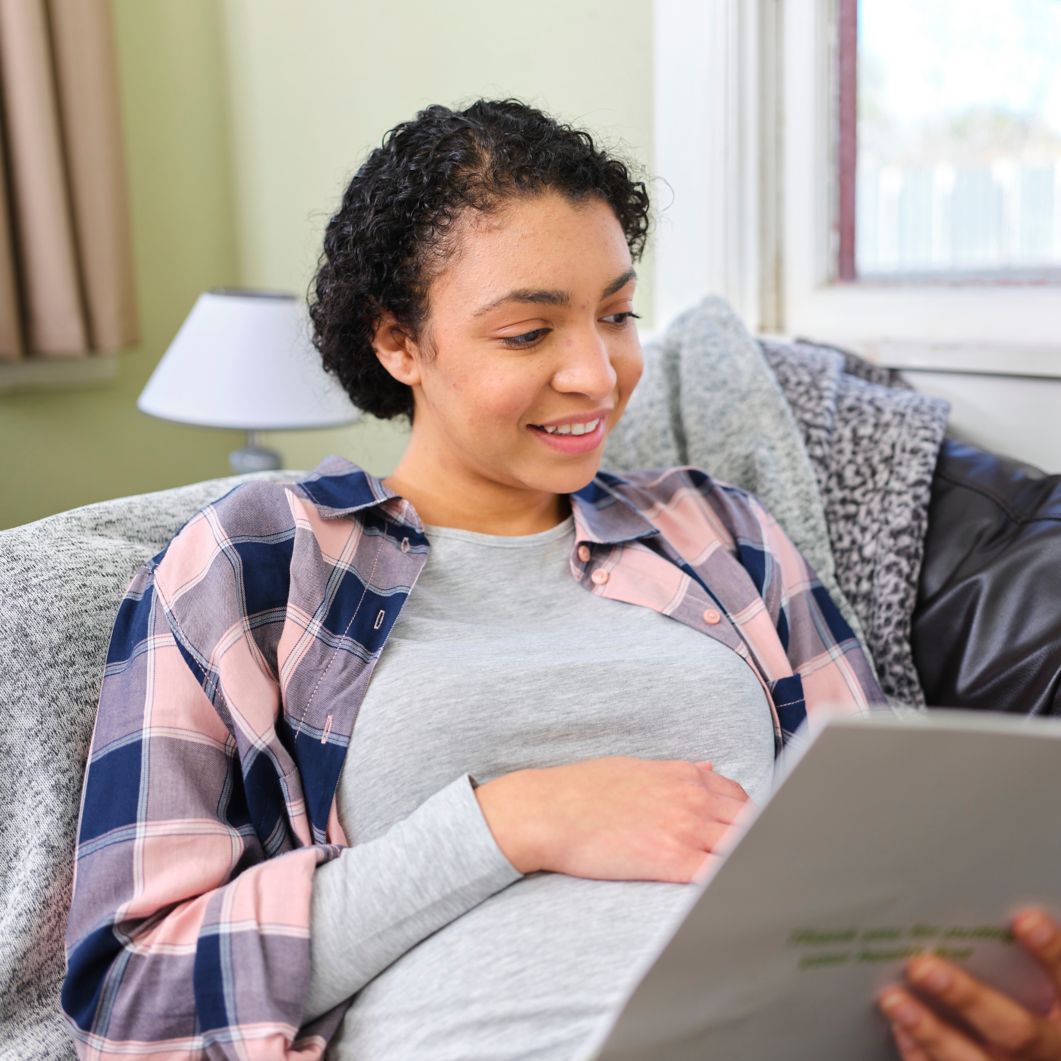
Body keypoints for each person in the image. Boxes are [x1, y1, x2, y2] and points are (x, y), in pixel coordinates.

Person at [62, 99, 1060, 1060]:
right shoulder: (255, 558)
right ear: (397, 339)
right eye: (528, 332)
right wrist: (512, 820)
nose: (597, 373)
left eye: (616, 313)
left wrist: (991, 1002)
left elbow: (896, 866)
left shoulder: (721, 533)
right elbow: (135, 995)